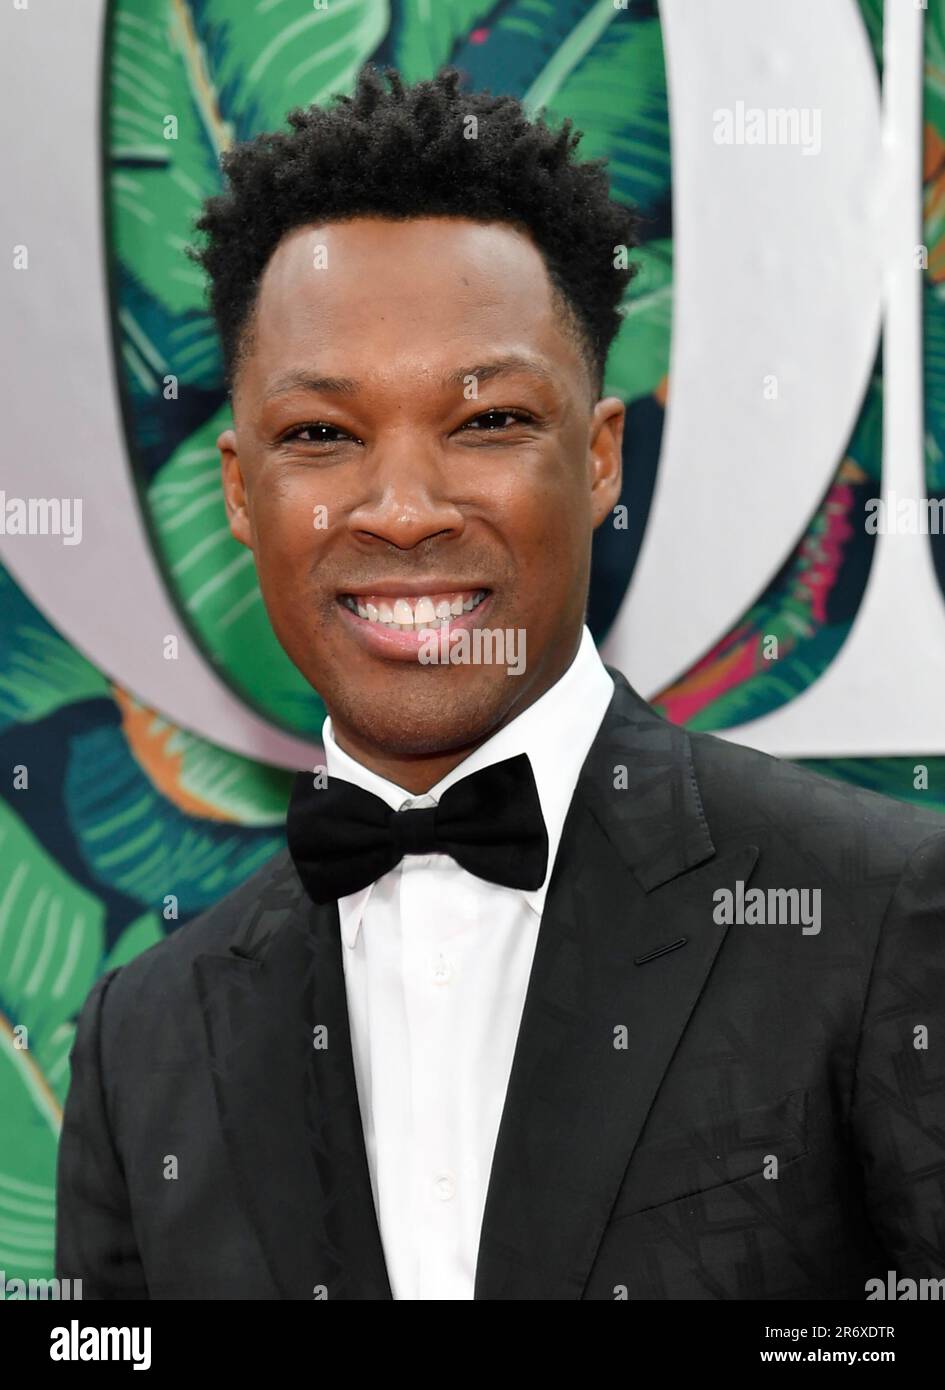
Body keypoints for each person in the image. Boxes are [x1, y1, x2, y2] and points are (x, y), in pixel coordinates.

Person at [56, 65, 945, 1300]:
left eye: (487, 422)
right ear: (240, 490)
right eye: (321, 434)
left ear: (599, 457)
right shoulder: (142, 1043)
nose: (403, 509)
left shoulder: (875, 915)